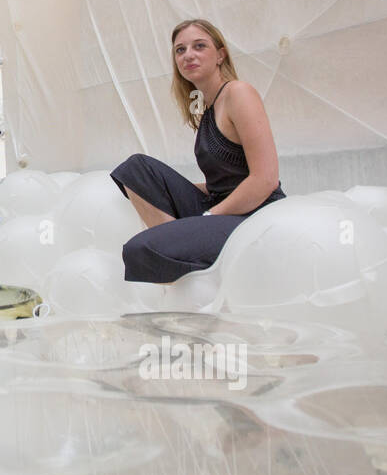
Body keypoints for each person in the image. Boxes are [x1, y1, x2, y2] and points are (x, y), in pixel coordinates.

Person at [109, 18, 286, 283]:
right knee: (135, 169)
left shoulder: (239, 93)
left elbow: (265, 179)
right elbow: (224, 182)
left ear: (220, 55)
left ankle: (172, 251)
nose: (188, 55)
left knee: (140, 249)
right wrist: (171, 189)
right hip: (220, 205)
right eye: (180, 50)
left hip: (254, 215)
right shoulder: (207, 108)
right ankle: (177, 249)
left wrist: (209, 216)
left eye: (199, 46)